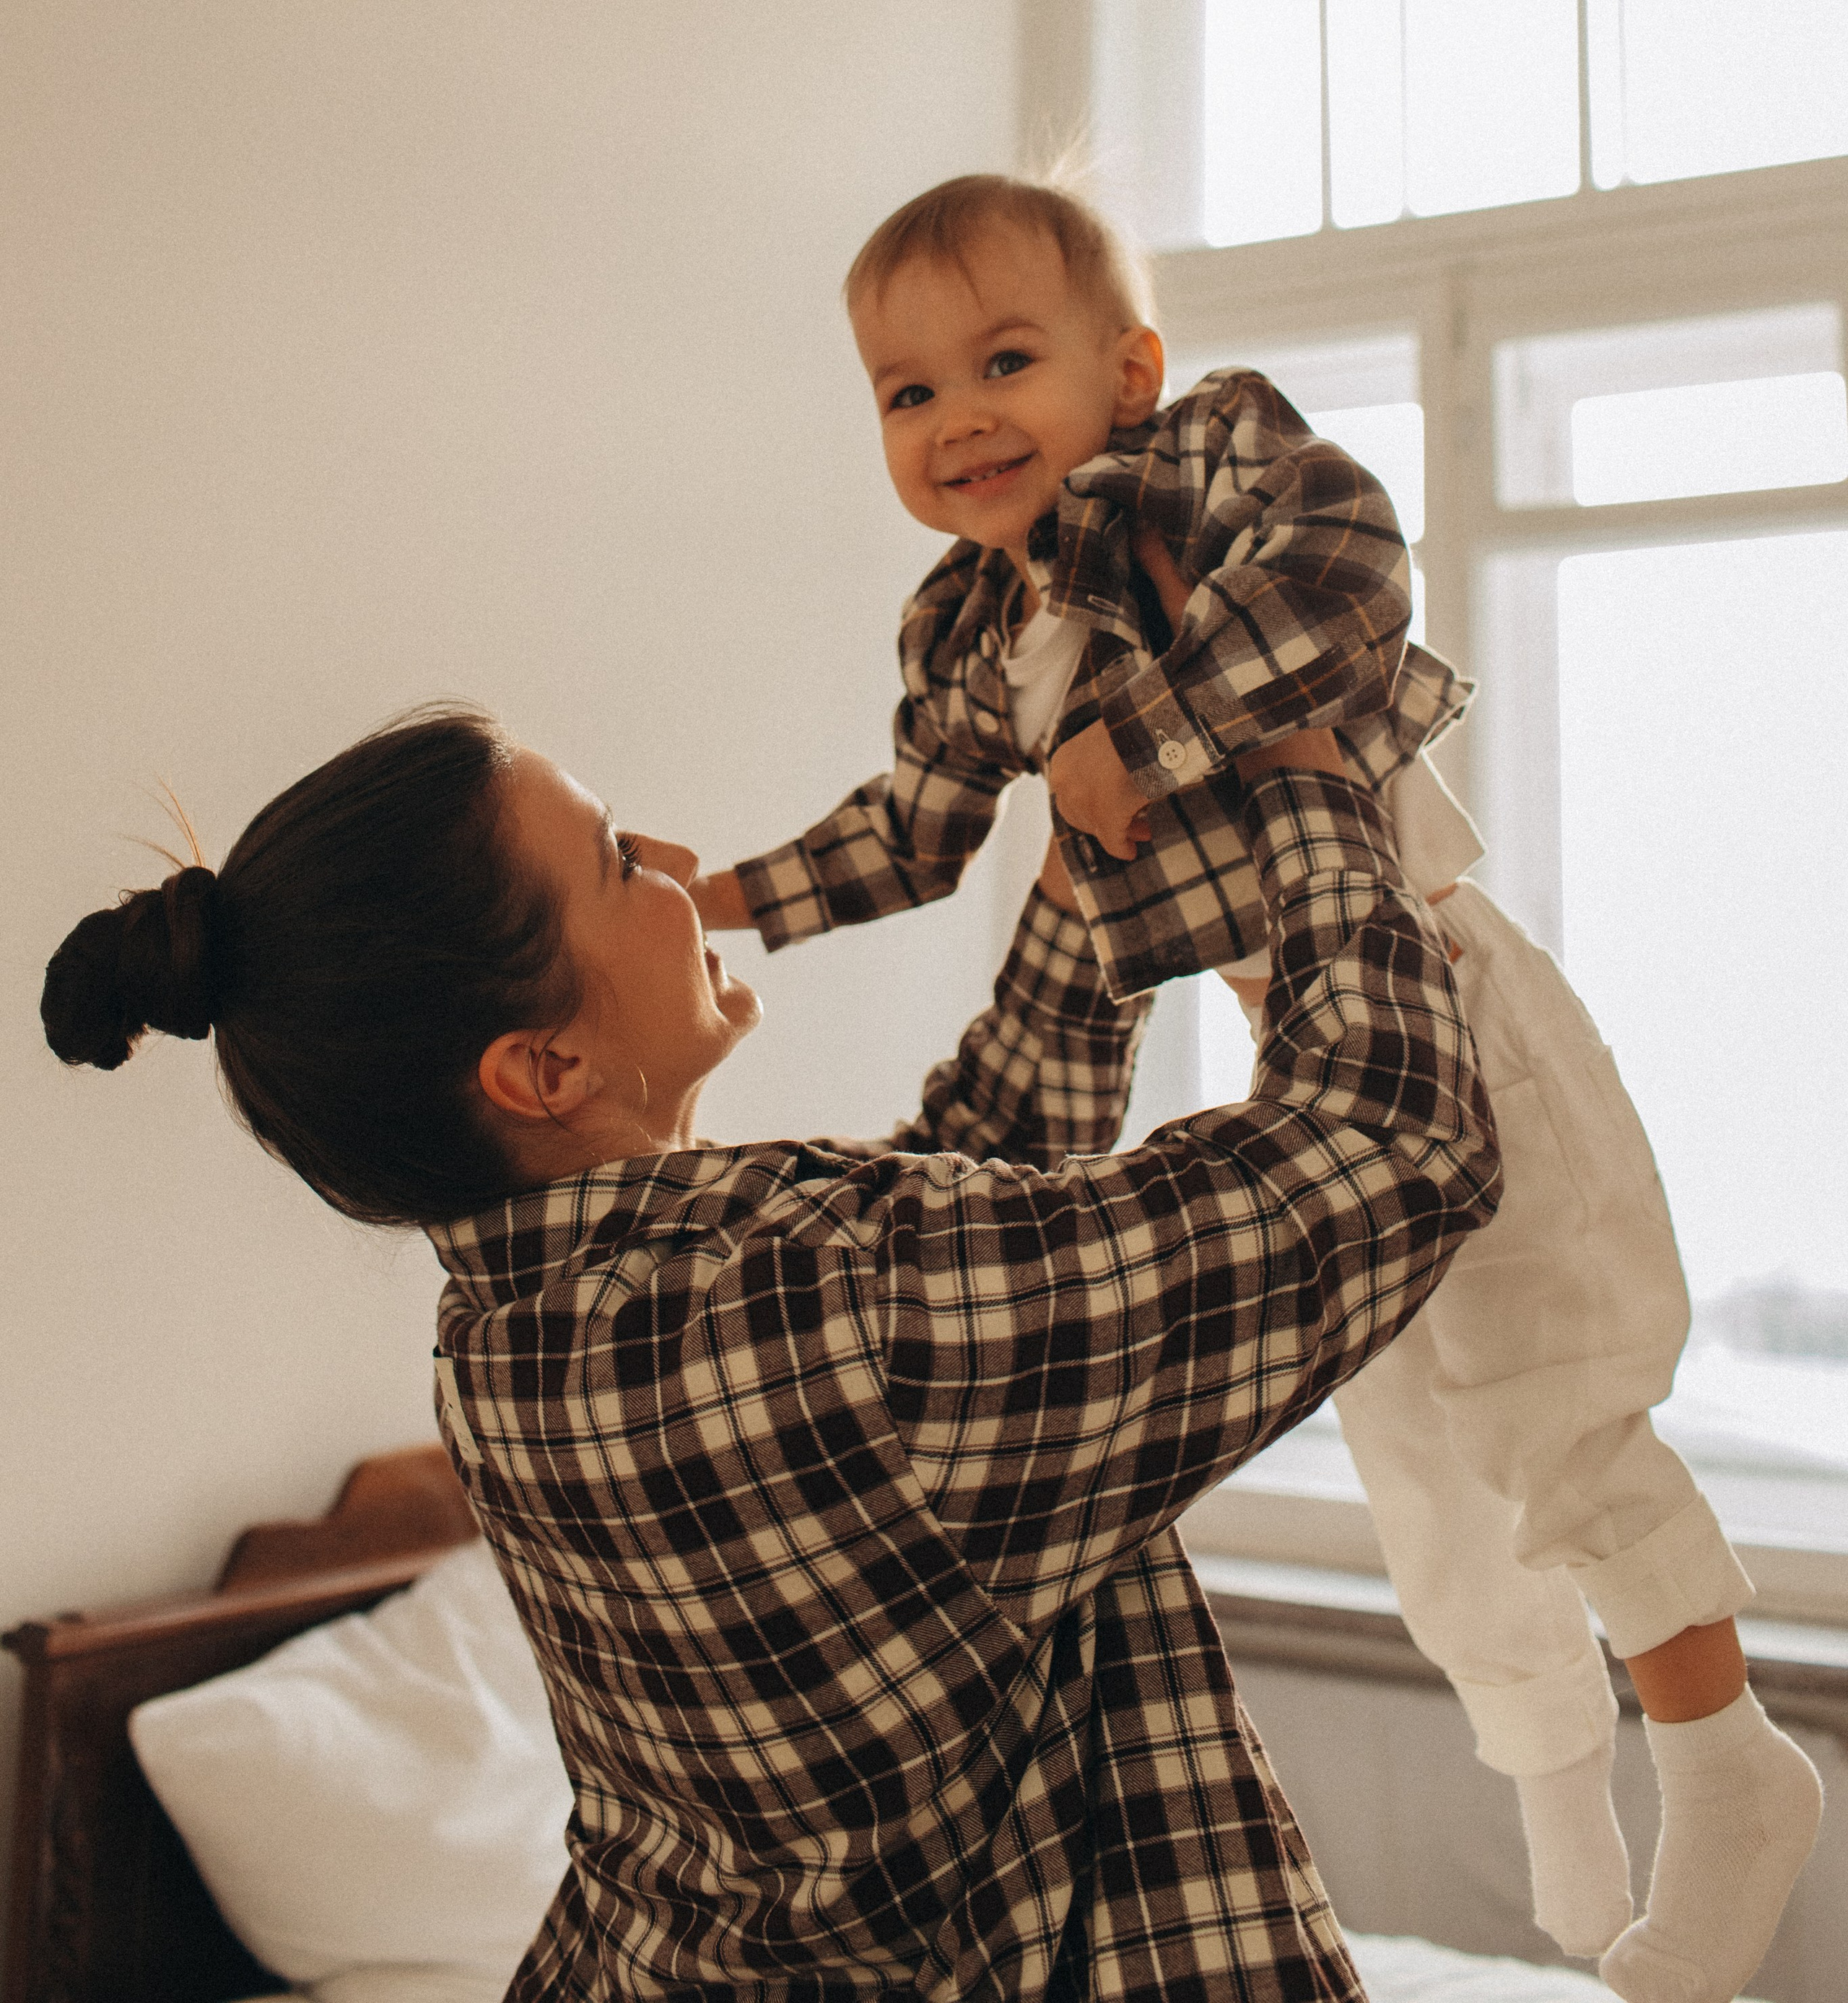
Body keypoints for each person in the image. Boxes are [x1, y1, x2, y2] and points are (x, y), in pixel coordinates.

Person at [690, 171, 1824, 2002]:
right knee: (1423, 1467)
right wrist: (717, 896)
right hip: (1304, 1045)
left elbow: (1348, 577)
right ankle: (1554, 1791)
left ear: (1125, 370)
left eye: (1001, 361)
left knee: (1551, 1392)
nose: (955, 418)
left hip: (1440, 989)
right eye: (905, 394)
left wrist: (1141, 733)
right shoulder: (969, 633)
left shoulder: (1210, 469)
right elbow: (909, 835)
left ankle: (1723, 1765)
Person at [44, 700, 1497, 2002]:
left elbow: (961, 1224)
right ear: (543, 1070)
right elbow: (1392, 1150)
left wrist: (1076, 877)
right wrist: (1312, 782)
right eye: (618, 862)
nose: (677, 867)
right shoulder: (828, 1330)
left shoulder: (518, 1338)